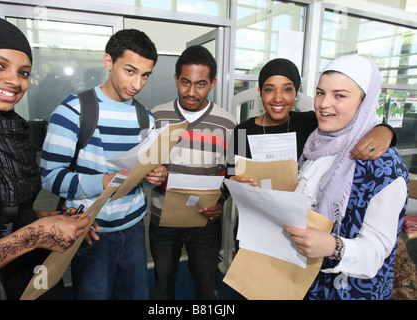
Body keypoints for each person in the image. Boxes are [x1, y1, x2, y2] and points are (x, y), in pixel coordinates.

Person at [0, 15, 90, 299]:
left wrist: (44, 220)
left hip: (30, 279)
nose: (13, 81)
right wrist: (32, 235)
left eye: (23, 72)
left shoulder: (13, 132)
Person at [40, 29, 167, 300]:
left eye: (145, 75)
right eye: (130, 71)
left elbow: (137, 177)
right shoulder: (73, 110)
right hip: (90, 231)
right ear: (109, 62)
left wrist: (152, 175)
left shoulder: (147, 119)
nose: (137, 83)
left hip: (133, 230)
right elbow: (50, 177)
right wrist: (102, 181)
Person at [227, 58, 395, 250]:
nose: (278, 98)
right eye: (269, 89)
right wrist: (235, 184)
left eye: (287, 89)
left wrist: (385, 130)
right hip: (254, 223)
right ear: (260, 92)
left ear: (296, 94)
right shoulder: (242, 131)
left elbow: (353, 124)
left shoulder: (310, 123)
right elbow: (229, 176)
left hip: (296, 229)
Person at [283, 54, 408, 300]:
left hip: (349, 291)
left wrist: (333, 246)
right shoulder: (315, 144)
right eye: (320, 93)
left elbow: (376, 253)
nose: (323, 104)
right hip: (306, 283)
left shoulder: (383, 164)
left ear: (365, 101)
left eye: (339, 95)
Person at [149, 45, 237, 300]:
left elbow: (233, 174)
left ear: (213, 83)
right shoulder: (156, 117)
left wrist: (221, 202)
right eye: (185, 82)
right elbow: (144, 166)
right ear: (176, 79)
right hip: (163, 219)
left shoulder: (230, 123)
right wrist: (149, 175)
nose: (191, 91)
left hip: (206, 222)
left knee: (206, 285)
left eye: (200, 84)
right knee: (162, 283)